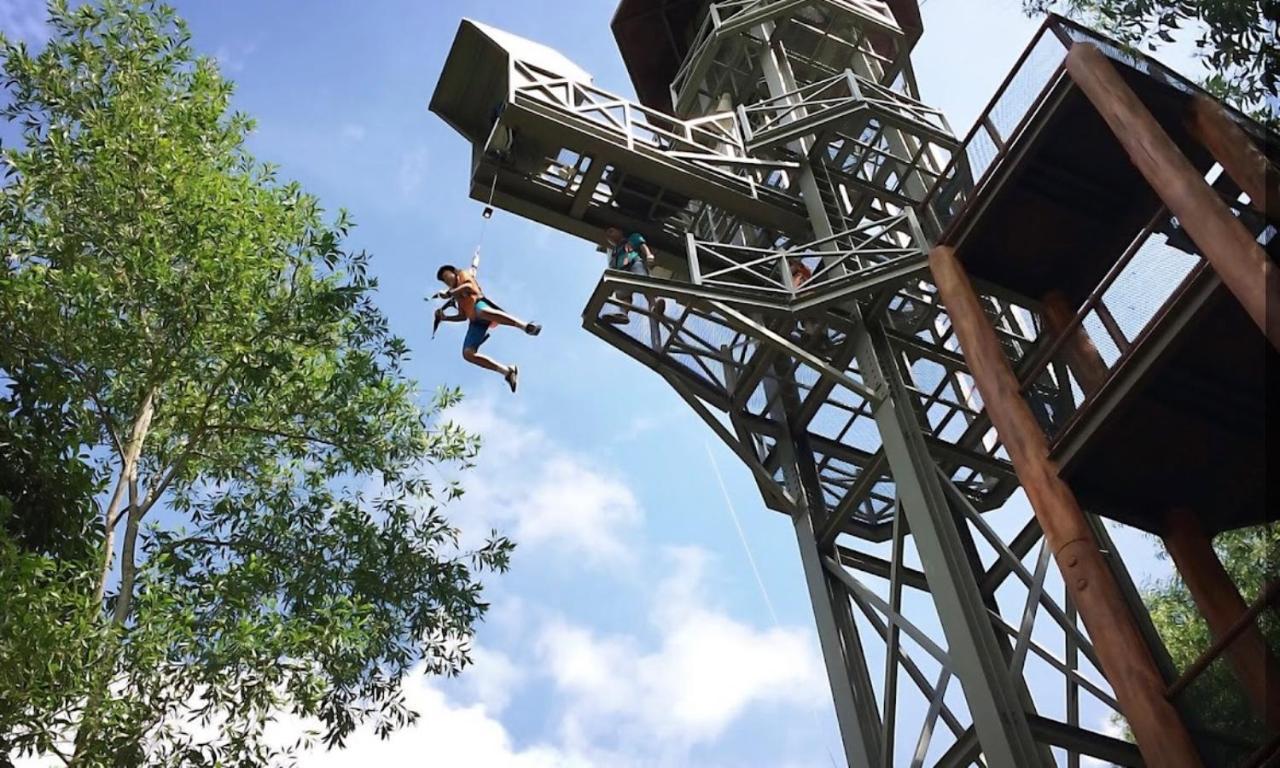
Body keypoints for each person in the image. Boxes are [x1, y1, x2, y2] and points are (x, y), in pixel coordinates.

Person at [434, 261, 540, 393]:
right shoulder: (457, 297)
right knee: (468, 354)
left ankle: (525, 326)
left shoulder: (463, 275)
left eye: (446, 277)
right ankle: (507, 371)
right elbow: (462, 316)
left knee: (482, 312)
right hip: (475, 322)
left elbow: (469, 288)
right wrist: (445, 318)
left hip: (480, 306)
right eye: (444, 281)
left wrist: (451, 293)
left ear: (453, 273)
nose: (446, 282)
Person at [601, 226, 665, 325]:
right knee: (624, 295)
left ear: (620, 231)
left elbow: (642, 246)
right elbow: (612, 267)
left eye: (611, 231)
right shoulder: (614, 253)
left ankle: (654, 304)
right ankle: (623, 313)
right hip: (622, 272)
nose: (609, 236)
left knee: (645, 283)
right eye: (607, 236)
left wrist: (649, 255)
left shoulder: (631, 239)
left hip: (634, 263)